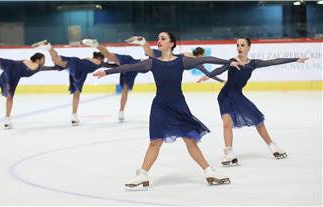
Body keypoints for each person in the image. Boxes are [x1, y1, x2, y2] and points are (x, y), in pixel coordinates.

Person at [93, 32, 243, 187]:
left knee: (190, 141)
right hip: (160, 107)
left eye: (163, 39)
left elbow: (206, 59)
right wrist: (106, 71)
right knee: (155, 142)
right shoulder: (152, 63)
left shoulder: (181, 61)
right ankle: (143, 174)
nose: (159, 41)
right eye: (158, 39)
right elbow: (129, 67)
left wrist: (228, 62)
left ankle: (209, 171)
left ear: (171, 44)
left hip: (178, 106)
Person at [197, 37, 309, 165]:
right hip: (225, 96)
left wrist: (295, 59)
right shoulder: (233, 62)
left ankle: (273, 146)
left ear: (249, 47)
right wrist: (208, 76)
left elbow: (274, 61)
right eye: (238, 45)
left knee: (258, 120)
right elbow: (220, 69)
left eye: (242, 45)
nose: (239, 47)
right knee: (227, 123)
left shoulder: (253, 64)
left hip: (238, 96)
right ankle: (229, 153)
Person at [0, 45, 58, 129]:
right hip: (12, 76)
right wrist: (59, 66)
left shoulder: (27, 61)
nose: (44, 61)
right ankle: (7, 119)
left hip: (10, 64)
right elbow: (50, 68)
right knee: (9, 98)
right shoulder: (38, 66)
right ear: (38, 60)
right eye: (43, 59)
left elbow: (17, 65)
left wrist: (1, 67)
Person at [32, 40, 107, 126]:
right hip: (80, 70)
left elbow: (79, 61)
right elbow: (111, 65)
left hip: (74, 62)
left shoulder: (88, 59)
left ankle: (49, 48)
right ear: (100, 58)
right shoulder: (100, 62)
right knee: (76, 92)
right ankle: (74, 115)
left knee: (57, 61)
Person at [81, 38, 142, 122]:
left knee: (125, 90)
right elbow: (110, 65)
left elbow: (106, 58)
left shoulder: (105, 59)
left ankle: (121, 111)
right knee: (124, 90)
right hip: (127, 67)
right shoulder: (103, 61)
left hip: (130, 63)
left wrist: (89, 59)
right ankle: (121, 111)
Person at [125, 36, 226, 83]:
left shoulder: (188, 53)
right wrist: (221, 81)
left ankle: (143, 43)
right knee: (149, 59)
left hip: (169, 56)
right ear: (200, 55)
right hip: (170, 63)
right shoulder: (197, 63)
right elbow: (208, 73)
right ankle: (142, 45)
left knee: (150, 53)